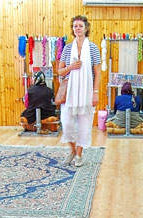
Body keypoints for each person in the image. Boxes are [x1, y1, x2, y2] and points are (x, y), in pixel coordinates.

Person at [57, 15, 101, 167]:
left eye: (80, 26)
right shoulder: (67, 48)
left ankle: (79, 155)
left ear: (86, 28)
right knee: (67, 123)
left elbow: (98, 72)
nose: (77, 28)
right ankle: (73, 150)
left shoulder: (93, 48)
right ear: (73, 29)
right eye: (75, 26)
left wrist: (95, 93)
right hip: (69, 92)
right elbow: (60, 71)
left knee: (84, 124)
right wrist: (71, 67)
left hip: (87, 92)